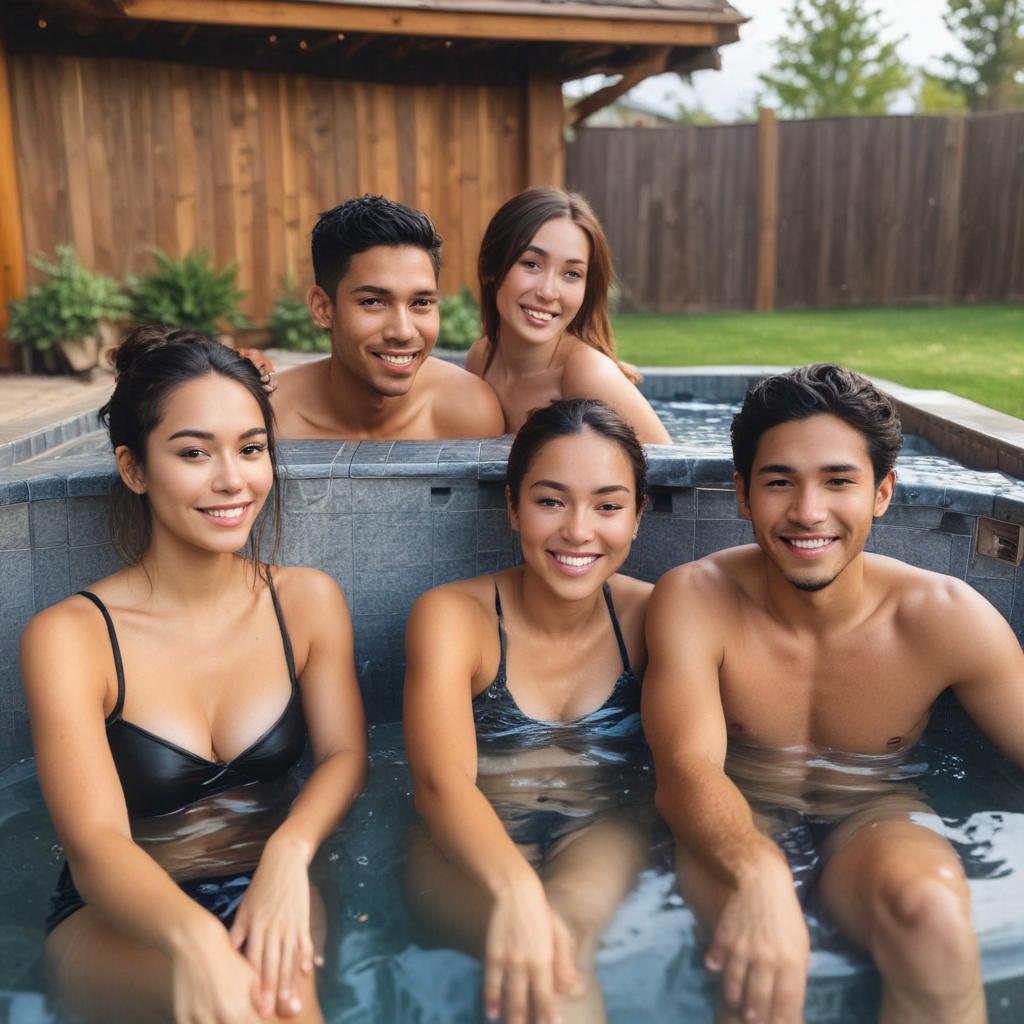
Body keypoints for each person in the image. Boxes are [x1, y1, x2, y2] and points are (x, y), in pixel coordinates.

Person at [642, 364, 1024, 1024]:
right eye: (779, 482)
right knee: (753, 952)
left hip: (873, 811)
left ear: (882, 493)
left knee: (933, 921)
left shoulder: (946, 619)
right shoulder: (695, 599)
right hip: (740, 809)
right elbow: (685, 771)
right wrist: (759, 873)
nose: (807, 512)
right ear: (742, 493)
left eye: (839, 481)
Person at [21, 325, 368, 1024]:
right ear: (134, 467)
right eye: (193, 453)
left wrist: (288, 855)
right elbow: (95, 847)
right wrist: (194, 939)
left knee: (280, 1003)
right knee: (257, 1006)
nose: (232, 480)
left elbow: (345, 756)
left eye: (251, 448)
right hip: (125, 915)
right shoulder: (72, 638)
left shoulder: (306, 602)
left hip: (272, 885)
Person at [404, 399, 655, 1024]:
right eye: (550, 501)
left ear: (637, 516)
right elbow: (441, 783)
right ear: (513, 508)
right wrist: (514, 886)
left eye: (607, 504)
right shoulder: (453, 617)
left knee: (558, 953)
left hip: (599, 826)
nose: (578, 530)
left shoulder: (655, 619)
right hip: (464, 842)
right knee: (541, 958)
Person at [271, 194, 505, 440]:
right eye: (373, 302)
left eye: (421, 303)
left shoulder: (469, 413)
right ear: (323, 309)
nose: (404, 331)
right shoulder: (269, 418)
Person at [466, 187, 671, 445]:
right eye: (531, 264)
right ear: (490, 269)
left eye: (572, 274)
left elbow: (672, 473)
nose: (548, 292)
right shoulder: (481, 358)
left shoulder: (586, 373)